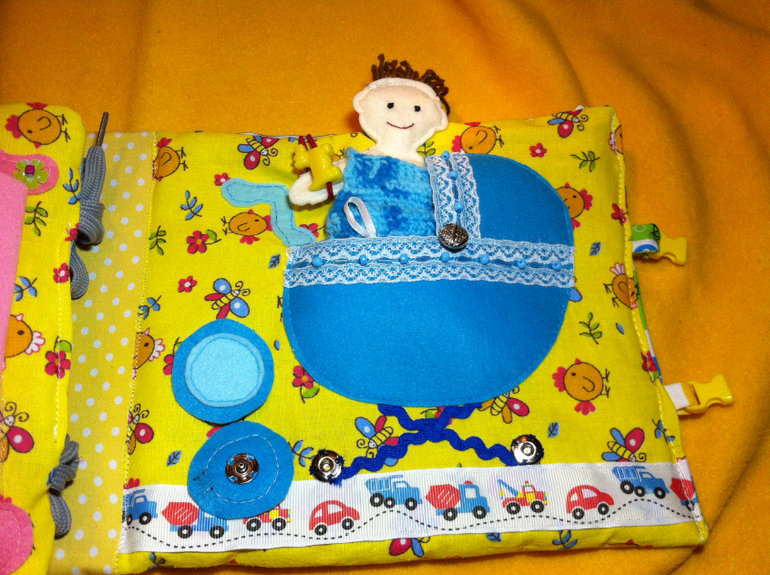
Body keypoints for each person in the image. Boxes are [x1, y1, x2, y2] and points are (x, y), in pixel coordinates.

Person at [288, 56, 450, 239]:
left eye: (417, 109)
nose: (403, 115)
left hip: (420, 243)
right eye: (390, 106)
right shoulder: (358, 164)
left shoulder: (434, 171)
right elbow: (302, 192)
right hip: (358, 236)